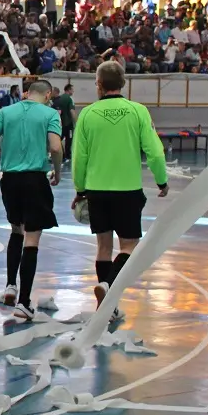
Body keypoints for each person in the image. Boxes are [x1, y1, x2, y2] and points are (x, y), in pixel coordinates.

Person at [71, 61, 169, 322]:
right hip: (127, 190)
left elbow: (79, 157)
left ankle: (108, 305)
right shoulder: (138, 111)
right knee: (129, 246)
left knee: (103, 247)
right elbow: (155, 152)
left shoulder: (87, 115)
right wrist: (162, 181)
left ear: (99, 84)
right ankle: (109, 288)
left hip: (96, 190)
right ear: (123, 84)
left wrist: (80, 190)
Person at [0, 80, 63, 321]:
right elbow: (56, 147)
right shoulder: (50, 114)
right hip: (35, 179)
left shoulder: (7, 111)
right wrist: (57, 173)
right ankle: (24, 303)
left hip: (10, 180)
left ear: (26, 93)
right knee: (32, 238)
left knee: (16, 229)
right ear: (48, 94)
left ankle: (10, 286)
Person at [51, 84, 76, 159]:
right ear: (68, 90)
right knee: (69, 140)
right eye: (72, 89)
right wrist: (76, 123)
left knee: (60, 138)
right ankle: (67, 155)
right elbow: (72, 111)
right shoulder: (69, 98)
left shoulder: (60, 98)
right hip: (68, 125)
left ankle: (63, 155)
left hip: (61, 124)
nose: (73, 91)